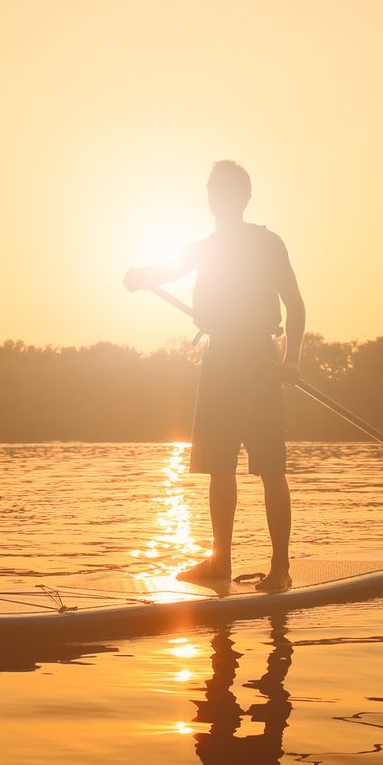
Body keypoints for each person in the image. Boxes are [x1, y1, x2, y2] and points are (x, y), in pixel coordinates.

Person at [123, 160, 305, 590]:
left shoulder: (267, 243)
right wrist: (138, 276)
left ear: (243, 197)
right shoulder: (203, 247)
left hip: (260, 361)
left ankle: (280, 569)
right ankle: (220, 562)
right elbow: (164, 272)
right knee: (218, 466)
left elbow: (295, 305)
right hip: (221, 357)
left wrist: (291, 358)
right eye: (212, 191)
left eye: (225, 191)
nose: (217, 198)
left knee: (270, 467)